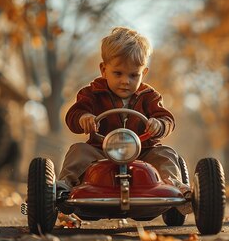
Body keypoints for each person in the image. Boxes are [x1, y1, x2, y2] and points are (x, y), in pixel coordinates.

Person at [57, 26, 189, 196]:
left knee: (165, 153)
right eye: (118, 73)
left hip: (142, 152)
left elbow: (167, 119)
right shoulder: (92, 93)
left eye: (133, 75)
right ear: (104, 70)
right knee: (78, 150)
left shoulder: (149, 96)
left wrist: (159, 124)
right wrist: (84, 118)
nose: (125, 81)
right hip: (101, 150)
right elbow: (74, 115)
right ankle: (64, 187)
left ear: (144, 73)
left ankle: (175, 186)